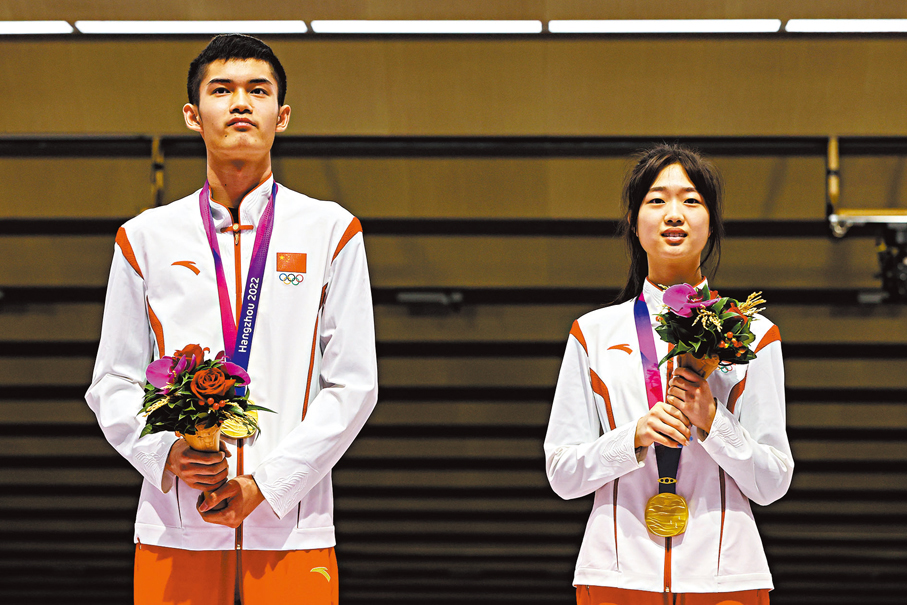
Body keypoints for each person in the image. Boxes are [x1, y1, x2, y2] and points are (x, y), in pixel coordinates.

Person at [85, 34, 378, 605]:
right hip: (175, 525)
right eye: (222, 90)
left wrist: (266, 486)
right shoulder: (145, 237)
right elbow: (112, 382)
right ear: (193, 115)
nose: (240, 103)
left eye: (257, 90)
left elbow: (353, 385)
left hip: (292, 529)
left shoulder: (331, 231)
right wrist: (166, 453)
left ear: (282, 115)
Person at [544, 144, 793, 605]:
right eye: (657, 200)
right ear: (634, 224)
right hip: (616, 576)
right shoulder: (593, 333)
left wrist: (714, 421)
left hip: (726, 580)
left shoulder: (754, 333)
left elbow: (773, 482)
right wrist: (632, 438)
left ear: (712, 224)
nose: (674, 214)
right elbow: (561, 473)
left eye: (691, 200)